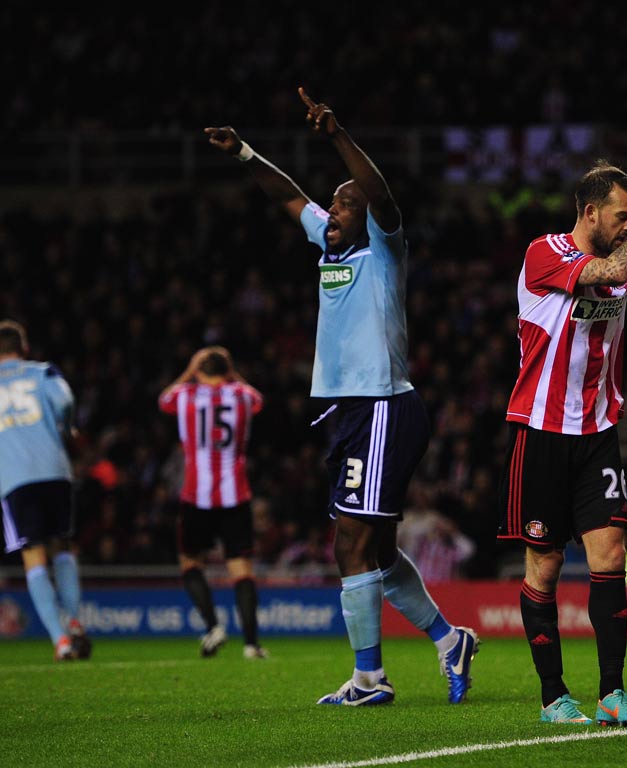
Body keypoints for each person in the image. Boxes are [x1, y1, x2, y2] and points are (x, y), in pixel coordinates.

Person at [205, 87, 478, 706]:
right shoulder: (330, 246)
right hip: (355, 411)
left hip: (382, 405)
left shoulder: (384, 250)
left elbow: (377, 191)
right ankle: (447, 640)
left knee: (349, 544)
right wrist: (245, 152)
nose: (334, 207)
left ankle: (368, 680)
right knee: (375, 552)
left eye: (345, 202)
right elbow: (286, 195)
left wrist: (337, 135)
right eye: (333, 201)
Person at [498, 139, 627, 726]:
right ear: (591, 211)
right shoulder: (543, 254)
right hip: (541, 433)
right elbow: (619, 268)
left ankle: (613, 694)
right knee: (544, 566)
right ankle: (553, 697)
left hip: (598, 430)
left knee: (611, 555)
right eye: (623, 215)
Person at [158, 346, 267, 659]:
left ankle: (212, 627)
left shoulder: (185, 396)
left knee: (190, 562)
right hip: (236, 495)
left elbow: (163, 400)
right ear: (228, 370)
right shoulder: (243, 395)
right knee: (241, 569)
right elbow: (258, 398)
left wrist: (189, 370)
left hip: (196, 496)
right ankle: (251, 645)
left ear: (199, 371)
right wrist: (231, 373)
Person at [0, 320, 91, 661]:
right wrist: (64, 427)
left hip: (14, 479)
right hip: (55, 471)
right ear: (23, 348)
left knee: (33, 557)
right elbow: (65, 401)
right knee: (63, 546)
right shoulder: (43, 372)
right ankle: (75, 619)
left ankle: (61, 641)